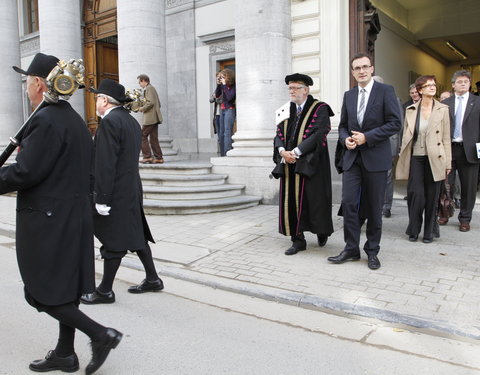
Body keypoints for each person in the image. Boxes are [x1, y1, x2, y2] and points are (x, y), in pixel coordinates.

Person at [0, 53, 121, 374]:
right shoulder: (72, 119)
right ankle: (65, 354)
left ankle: (100, 334)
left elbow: (26, 172)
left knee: (42, 291)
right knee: (65, 288)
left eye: (27, 81)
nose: (26, 88)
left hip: (49, 220)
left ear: (39, 83)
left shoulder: (46, 119)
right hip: (73, 215)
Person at [80, 79, 164, 305]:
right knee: (136, 234)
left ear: (104, 100)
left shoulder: (109, 122)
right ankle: (153, 278)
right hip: (130, 187)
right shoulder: (130, 121)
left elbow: (106, 164)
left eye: (97, 97)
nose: (96, 101)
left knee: (113, 239)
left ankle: (105, 290)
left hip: (114, 191)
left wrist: (102, 198)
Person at [328, 53, 401, 270]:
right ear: (352, 72)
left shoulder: (385, 91)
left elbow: (395, 123)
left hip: (376, 159)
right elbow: (341, 126)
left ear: (371, 69)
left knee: (374, 207)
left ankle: (372, 251)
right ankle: (351, 248)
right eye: (356, 68)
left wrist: (367, 137)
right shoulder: (349, 95)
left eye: (364, 67)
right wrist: (345, 139)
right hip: (352, 159)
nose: (361, 71)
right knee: (349, 204)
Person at [272, 73, 334, 255]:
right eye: (290, 88)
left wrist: (297, 152)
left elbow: (319, 134)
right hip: (289, 165)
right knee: (291, 202)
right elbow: (278, 134)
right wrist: (282, 151)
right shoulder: (285, 110)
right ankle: (297, 239)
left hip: (311, 163)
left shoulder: (320, 109)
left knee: (315, 201)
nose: (291, 91)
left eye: (295, 88)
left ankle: (322, 231)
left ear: (305, 90)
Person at [396, 75, 451, 243]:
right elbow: (406, 134)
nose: (432, 87)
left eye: (433, 85)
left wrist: (448, 163)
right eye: (428, 85)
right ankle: (413, 229)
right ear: (420, 90)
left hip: (436, 157)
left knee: (432, 195)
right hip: (416, 157)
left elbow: (446, 138)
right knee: (416, 195)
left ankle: (429, 232)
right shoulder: (411, 110)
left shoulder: (443, 109)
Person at [439, 70, 480, 231]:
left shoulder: (477, 102)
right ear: (453, 84)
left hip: (469, 150)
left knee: (468, 187)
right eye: (460, 81)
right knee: (445, 184)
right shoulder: (445, 103)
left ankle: (465, 218)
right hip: (449, 148)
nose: (463, 84)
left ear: (470, 84)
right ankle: (444, 212)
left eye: (466, 81)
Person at [372, 76, 403, 218]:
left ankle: (386, 206)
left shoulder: (394, 100)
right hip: (371, 145)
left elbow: (399, 124)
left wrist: (400, 145)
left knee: (387, 176)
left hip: (389, 143)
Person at [137, 74, 164, 164]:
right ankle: (159, 158)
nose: (139, 84)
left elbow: (151, 102)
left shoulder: (149, 88)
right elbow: (158, 103)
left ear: (144, 81)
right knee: (153, 139)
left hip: (150, 118)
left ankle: (147, 156)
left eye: (140, 82)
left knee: (142, 136)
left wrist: (142, 108)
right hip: (154, 117)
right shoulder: (152, 88)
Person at [214, 69, 236, 156]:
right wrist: (219, 85)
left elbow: (230, 97)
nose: (222, 78)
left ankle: (227, 153)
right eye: (221, 77)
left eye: (223, 77)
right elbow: (217, 94)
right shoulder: (223, 86)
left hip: (230, 109)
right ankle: (222, 154)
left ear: (228, 77)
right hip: (222, 110)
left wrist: (224, 85)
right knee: (222, 133)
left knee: (227, 132)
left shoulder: (233, 86)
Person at [209, 71, 222, 139]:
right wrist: (215, 97)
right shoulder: (217, 88)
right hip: (216, 115)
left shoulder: (224, 88)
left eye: (220, 77)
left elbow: (221, 100)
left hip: (222, 113)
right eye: (217, 77)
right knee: (219, 137)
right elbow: (211, 100)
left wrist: (216, 98)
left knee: (224, 134)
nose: (218, 78)